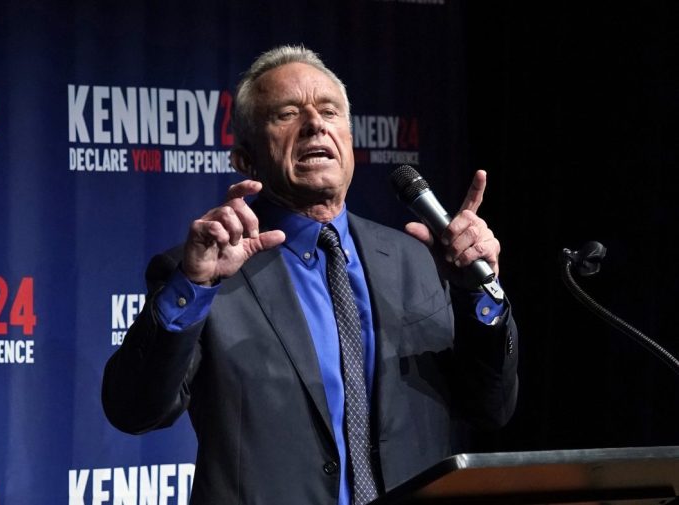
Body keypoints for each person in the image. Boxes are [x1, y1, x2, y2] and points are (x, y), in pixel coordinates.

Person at [102, 45, 518, 505]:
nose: (315, 123)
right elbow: (134, 411)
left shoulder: (416, 259)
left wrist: (479, 292)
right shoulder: (204, 272)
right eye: (287, 113)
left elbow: (491, 406)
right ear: (245, 159)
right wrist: (194, 285)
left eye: (329, 111)